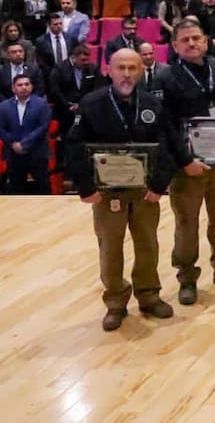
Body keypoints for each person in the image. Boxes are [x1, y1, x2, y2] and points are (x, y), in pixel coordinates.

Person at [65, 48, 177, 331]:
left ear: (141, 71)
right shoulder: (92, 103)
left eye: (132, 68)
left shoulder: (152, 103)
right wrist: (85, 188)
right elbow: (74, 146)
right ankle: (115, 302)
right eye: (121, 68)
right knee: (110, 248)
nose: (126, 74)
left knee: (148, 245)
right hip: (106, 194)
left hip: (144, 192)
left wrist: (158, 185)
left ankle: (149, 295)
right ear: (109, 70)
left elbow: (167, 146)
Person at [157, 19, 215, 303]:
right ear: (174, 46)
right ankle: (187, 277)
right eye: (184, 40)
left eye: (196, 38)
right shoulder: (166, 77)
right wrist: (185, 161)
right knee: (187, 223)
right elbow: (165, 127)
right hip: (189, 167)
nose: (191, 43)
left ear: (206, 41)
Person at [0, 75, 51, 194]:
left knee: (43, 188)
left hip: (37, 152)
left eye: (27, 84)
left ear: (32, 87)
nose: (24, 87)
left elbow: (43, 127)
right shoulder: (3, 107)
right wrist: (13, 144)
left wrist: (24, 144)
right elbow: (1, 129)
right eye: (20, 85)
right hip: (14, 154)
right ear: (13, 88)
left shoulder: (41, 104)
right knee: (15, 189)